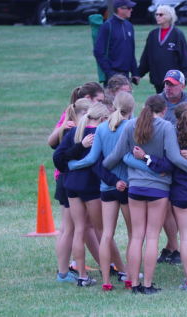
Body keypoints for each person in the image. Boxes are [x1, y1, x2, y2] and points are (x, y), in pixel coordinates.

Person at [103, 95, 187, 295]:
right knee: (152, 238)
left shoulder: (129, 126)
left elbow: (115, 157)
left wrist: (104, 169)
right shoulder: (166, 127)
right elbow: (175, 159)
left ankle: (134, 284)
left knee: (136, 237)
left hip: (135, 188)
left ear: (145, 107)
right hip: (159, 189)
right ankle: (147, 285)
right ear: (163, 110)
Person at [67, 92, 136, 291]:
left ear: (113, 107)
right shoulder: (130, 127)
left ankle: (106, 281)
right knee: (134, 235)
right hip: (126, 186)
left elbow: (91, 160)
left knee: (106, 234)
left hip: (106, 190)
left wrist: (72, 164)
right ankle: (130, 278)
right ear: (131, 109)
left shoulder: (102, 129)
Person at [54, 102, 127, 287]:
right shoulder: (99, 134)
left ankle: (82, 276)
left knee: (79, 230)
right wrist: (113, 181)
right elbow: (98, 164)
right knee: (104, 232)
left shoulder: (74, 133)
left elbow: (58, 158)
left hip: (71, 186)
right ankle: (122, 270)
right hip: (91, 188)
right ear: (103, 119)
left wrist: (72, 162)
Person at [156, 70, 187, 265]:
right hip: (160, 162)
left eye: (173, 84)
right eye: (166, 83)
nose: (168, 87)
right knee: (164, 206)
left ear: (183, 86)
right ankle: (173, 247)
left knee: (176, 207)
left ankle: (173, 247)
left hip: (181, 162)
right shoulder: (156, 102)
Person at [138, 5, 187, 93]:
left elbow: (185, 59)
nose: (157, 17)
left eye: (161, 15)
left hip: (173, 82)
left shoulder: (177, 34)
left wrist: (184, 78)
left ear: (168, 16)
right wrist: (138, 74)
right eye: (156, 14)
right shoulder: (153, 34)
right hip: (158, 81)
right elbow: (146, 58)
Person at [94, 0, 140, 87]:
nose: (131, 10)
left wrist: (135, 72)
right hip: (112, 74)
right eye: (129, 8)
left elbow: (131, 52)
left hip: (126, 75)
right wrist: (109, 72)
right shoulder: (107, 26)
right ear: (120, 9)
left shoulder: (129, 26)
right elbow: (98, 51)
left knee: (125, 100)